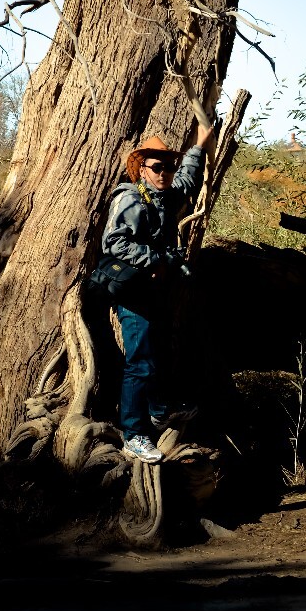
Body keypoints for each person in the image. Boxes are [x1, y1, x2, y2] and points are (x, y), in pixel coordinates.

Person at [102, 123, 214, 463]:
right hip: (134, 292)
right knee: (140, 363)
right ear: (142, 169)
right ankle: (133, 434)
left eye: (168, 165)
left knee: (161, 349)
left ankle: (159, 410)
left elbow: (188, 180)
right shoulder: (131, 199)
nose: (164, 172)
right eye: (156, 167)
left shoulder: (164, 194)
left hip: (155, 291)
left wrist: (200, 146)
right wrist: (158, 258)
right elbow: (114, 242)